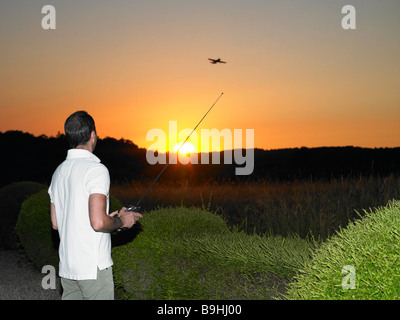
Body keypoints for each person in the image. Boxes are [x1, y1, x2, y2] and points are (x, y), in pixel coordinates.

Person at [48, 110, 142, 300]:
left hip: (68, 267)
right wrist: (122, 221)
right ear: (93, 135)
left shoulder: (58, 172)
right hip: (93, 269)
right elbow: (98, 223)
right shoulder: (96, 170)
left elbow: (56, 223)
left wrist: (109, 218)